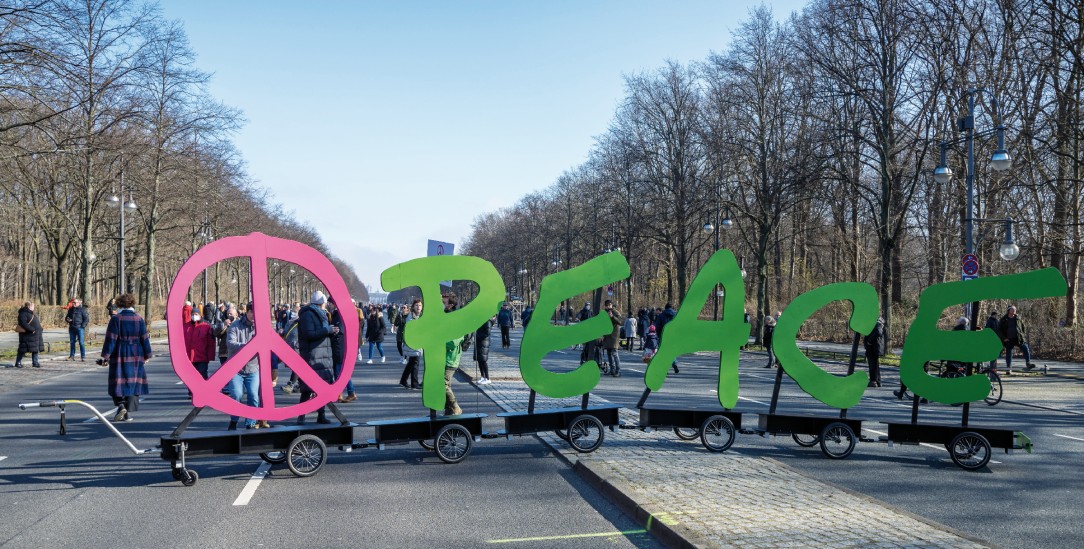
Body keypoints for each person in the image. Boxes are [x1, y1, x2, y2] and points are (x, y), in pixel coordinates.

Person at [100, 293, 152, 422]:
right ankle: (127, 412)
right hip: (136, 353)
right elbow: (144, 338)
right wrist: (147, 354)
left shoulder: (116, 319)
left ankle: (120, 405)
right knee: (133, 382)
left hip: (119, 352)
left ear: (119, 304)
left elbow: (111, 339)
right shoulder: (139, 319)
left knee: (117, 381)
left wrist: (105, 356)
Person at [297, 291, 337, 424]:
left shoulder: (320, 314)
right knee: (308, 388)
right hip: (312, 354)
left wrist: (331, 332)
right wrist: (328, 330)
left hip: (321, 354)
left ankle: (321, 414)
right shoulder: (308, 314)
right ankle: (301, 416)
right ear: (321, 303)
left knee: (322, 388)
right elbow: (309, 334)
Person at [226, 303, 266, 429]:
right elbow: (231, 344)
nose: (254, 315)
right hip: (236, 369)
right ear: (247, 312)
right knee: (236, 395)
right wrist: (248, 347)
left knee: (253, 396)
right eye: (251, 312)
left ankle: (250, 423)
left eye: (256, 313)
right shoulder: (235, 326)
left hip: (253, 368)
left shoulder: (261, 327)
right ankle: (234, 420)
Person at [328, 298, 356, 403]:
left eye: (330, 303)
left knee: (340, 372)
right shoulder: (336, 314)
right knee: (337, 371)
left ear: (334, 304)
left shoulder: (339, 315)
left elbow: (340, 330)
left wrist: (330, 330)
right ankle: (342, 393)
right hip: (337, 346)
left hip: (339, 347)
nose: (328, 305)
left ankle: (350, 392)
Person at [442, 295, 465, 416]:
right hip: (441, 357)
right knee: (446, 385)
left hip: (450, 358)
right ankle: (448, 411)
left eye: (443, 302)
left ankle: (455, 407)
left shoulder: (456, 320)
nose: (441, 304)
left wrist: (437, 342)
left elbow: (454, 341)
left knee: (443, 384)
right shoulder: (443, 317)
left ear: (450, 305)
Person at [998, 305, 1033, 375]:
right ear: (1009, 310)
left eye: (1015, 309)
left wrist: (1022, 335)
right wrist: (1004, 338)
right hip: (1008, 339)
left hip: (1018, 338)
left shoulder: (1018, 318)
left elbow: (1023, 327)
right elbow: (999, 330)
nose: (1015, 311)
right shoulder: (1003, 319)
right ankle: (1008, 368)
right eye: (1013, 309)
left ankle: (1028, 363)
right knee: (1009, 353)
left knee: (1025, 348)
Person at [183, 309, 216, 383]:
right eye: (192, 314)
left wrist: (210, 356)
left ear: (200, 315)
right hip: (189, 357)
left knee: (202, 374)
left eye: (196, 314)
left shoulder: (207, 326)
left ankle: (204, 391)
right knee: (190, 375)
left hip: (202, 357)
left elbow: (211, 343)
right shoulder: (186, 326)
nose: (194, 316)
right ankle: (191, 392)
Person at [398, 299, 424, 390]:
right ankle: (414, 384)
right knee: (415, 363)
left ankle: (403, 380)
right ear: (413, 307)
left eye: (420, 305)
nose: (418, 307)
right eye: (416, 305)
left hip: (415, 342)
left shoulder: (418, 316)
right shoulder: (411, 317)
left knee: (411, 362)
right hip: (414, 343)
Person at [13, 301, 43, 368]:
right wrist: (32, 329)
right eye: (33, 306)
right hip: (27, 335)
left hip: (34, 335)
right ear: (29, 306)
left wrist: (40, 328)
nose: (34, 308)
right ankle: (18, 362)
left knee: (35, 349)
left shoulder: (31, 313)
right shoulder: (23, 313)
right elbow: (23, 324)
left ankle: (35, 363)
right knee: (22, 349)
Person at [655, 303, 679, 373]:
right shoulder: (676, 315)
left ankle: (665, 369)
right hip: (673, 336)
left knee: (663, 352)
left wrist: (659, 335)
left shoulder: (661, 315)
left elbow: (658, 327)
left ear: (665, 308)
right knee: (671, 351)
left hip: (663, 336)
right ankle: (674, 363)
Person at [64, 298, 90, 362]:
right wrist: (68, 319)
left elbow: (86, 319)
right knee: (72, 342)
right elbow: (67, 317)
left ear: (79, 303)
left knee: (81, 342)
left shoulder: (82, 310)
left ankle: (83, 356)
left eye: (75, 303)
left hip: (79, 328)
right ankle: (72, 356)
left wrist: (82, 326)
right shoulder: (71, 310)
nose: (73, 304)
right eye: (73, 303)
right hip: (72, 328)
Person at [601, 300, 622, 377]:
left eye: (610, 305)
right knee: (609, 353)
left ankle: (618, 370)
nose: (608, 306)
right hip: (607, 335)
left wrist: (612, 317)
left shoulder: (615, 312)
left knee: (615, 353)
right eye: (607, 305)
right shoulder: (604, 313)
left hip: (614, 336)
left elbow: (620, 321)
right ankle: (612, 370)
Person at [863, 316, 885, 386]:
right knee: (875, 364)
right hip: (875, 347)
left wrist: (869, 340)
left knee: (872, 364)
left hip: (873, 347)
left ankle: (873, 381)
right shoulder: (878, 323)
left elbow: (879, 332)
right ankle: (878, 381)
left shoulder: (876, 323)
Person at [474, 314, 495, 384]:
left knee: (483, 361)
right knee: (479, 360)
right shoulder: (481, 320)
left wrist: (478, 336)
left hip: (484, 343)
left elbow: (487, 332)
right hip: (480, 342)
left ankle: (487, 378)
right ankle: (482, 377)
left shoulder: (487, 321)